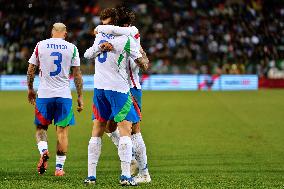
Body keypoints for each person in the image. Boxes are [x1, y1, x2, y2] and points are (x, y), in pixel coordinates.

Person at [83, 8, 148, 186]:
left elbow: (144, 61)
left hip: (130, 87)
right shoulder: (117, 34)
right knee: (109, 128)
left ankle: (144, 172)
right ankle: (130, 160)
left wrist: (140, 56)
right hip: (115, 87)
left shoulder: (128, 34)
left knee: (133, 130)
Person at [27, 23, 83, 176]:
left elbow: (31, 69)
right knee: (62, 132)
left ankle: (44, 151)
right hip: (64, 96)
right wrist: (80, 96)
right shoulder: (72, 48)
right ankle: (59, 169)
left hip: (44, 95)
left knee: (41, 128)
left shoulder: (41, 45)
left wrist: (30, 89)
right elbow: (77, 74)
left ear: (52, 32)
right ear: (65, 33)